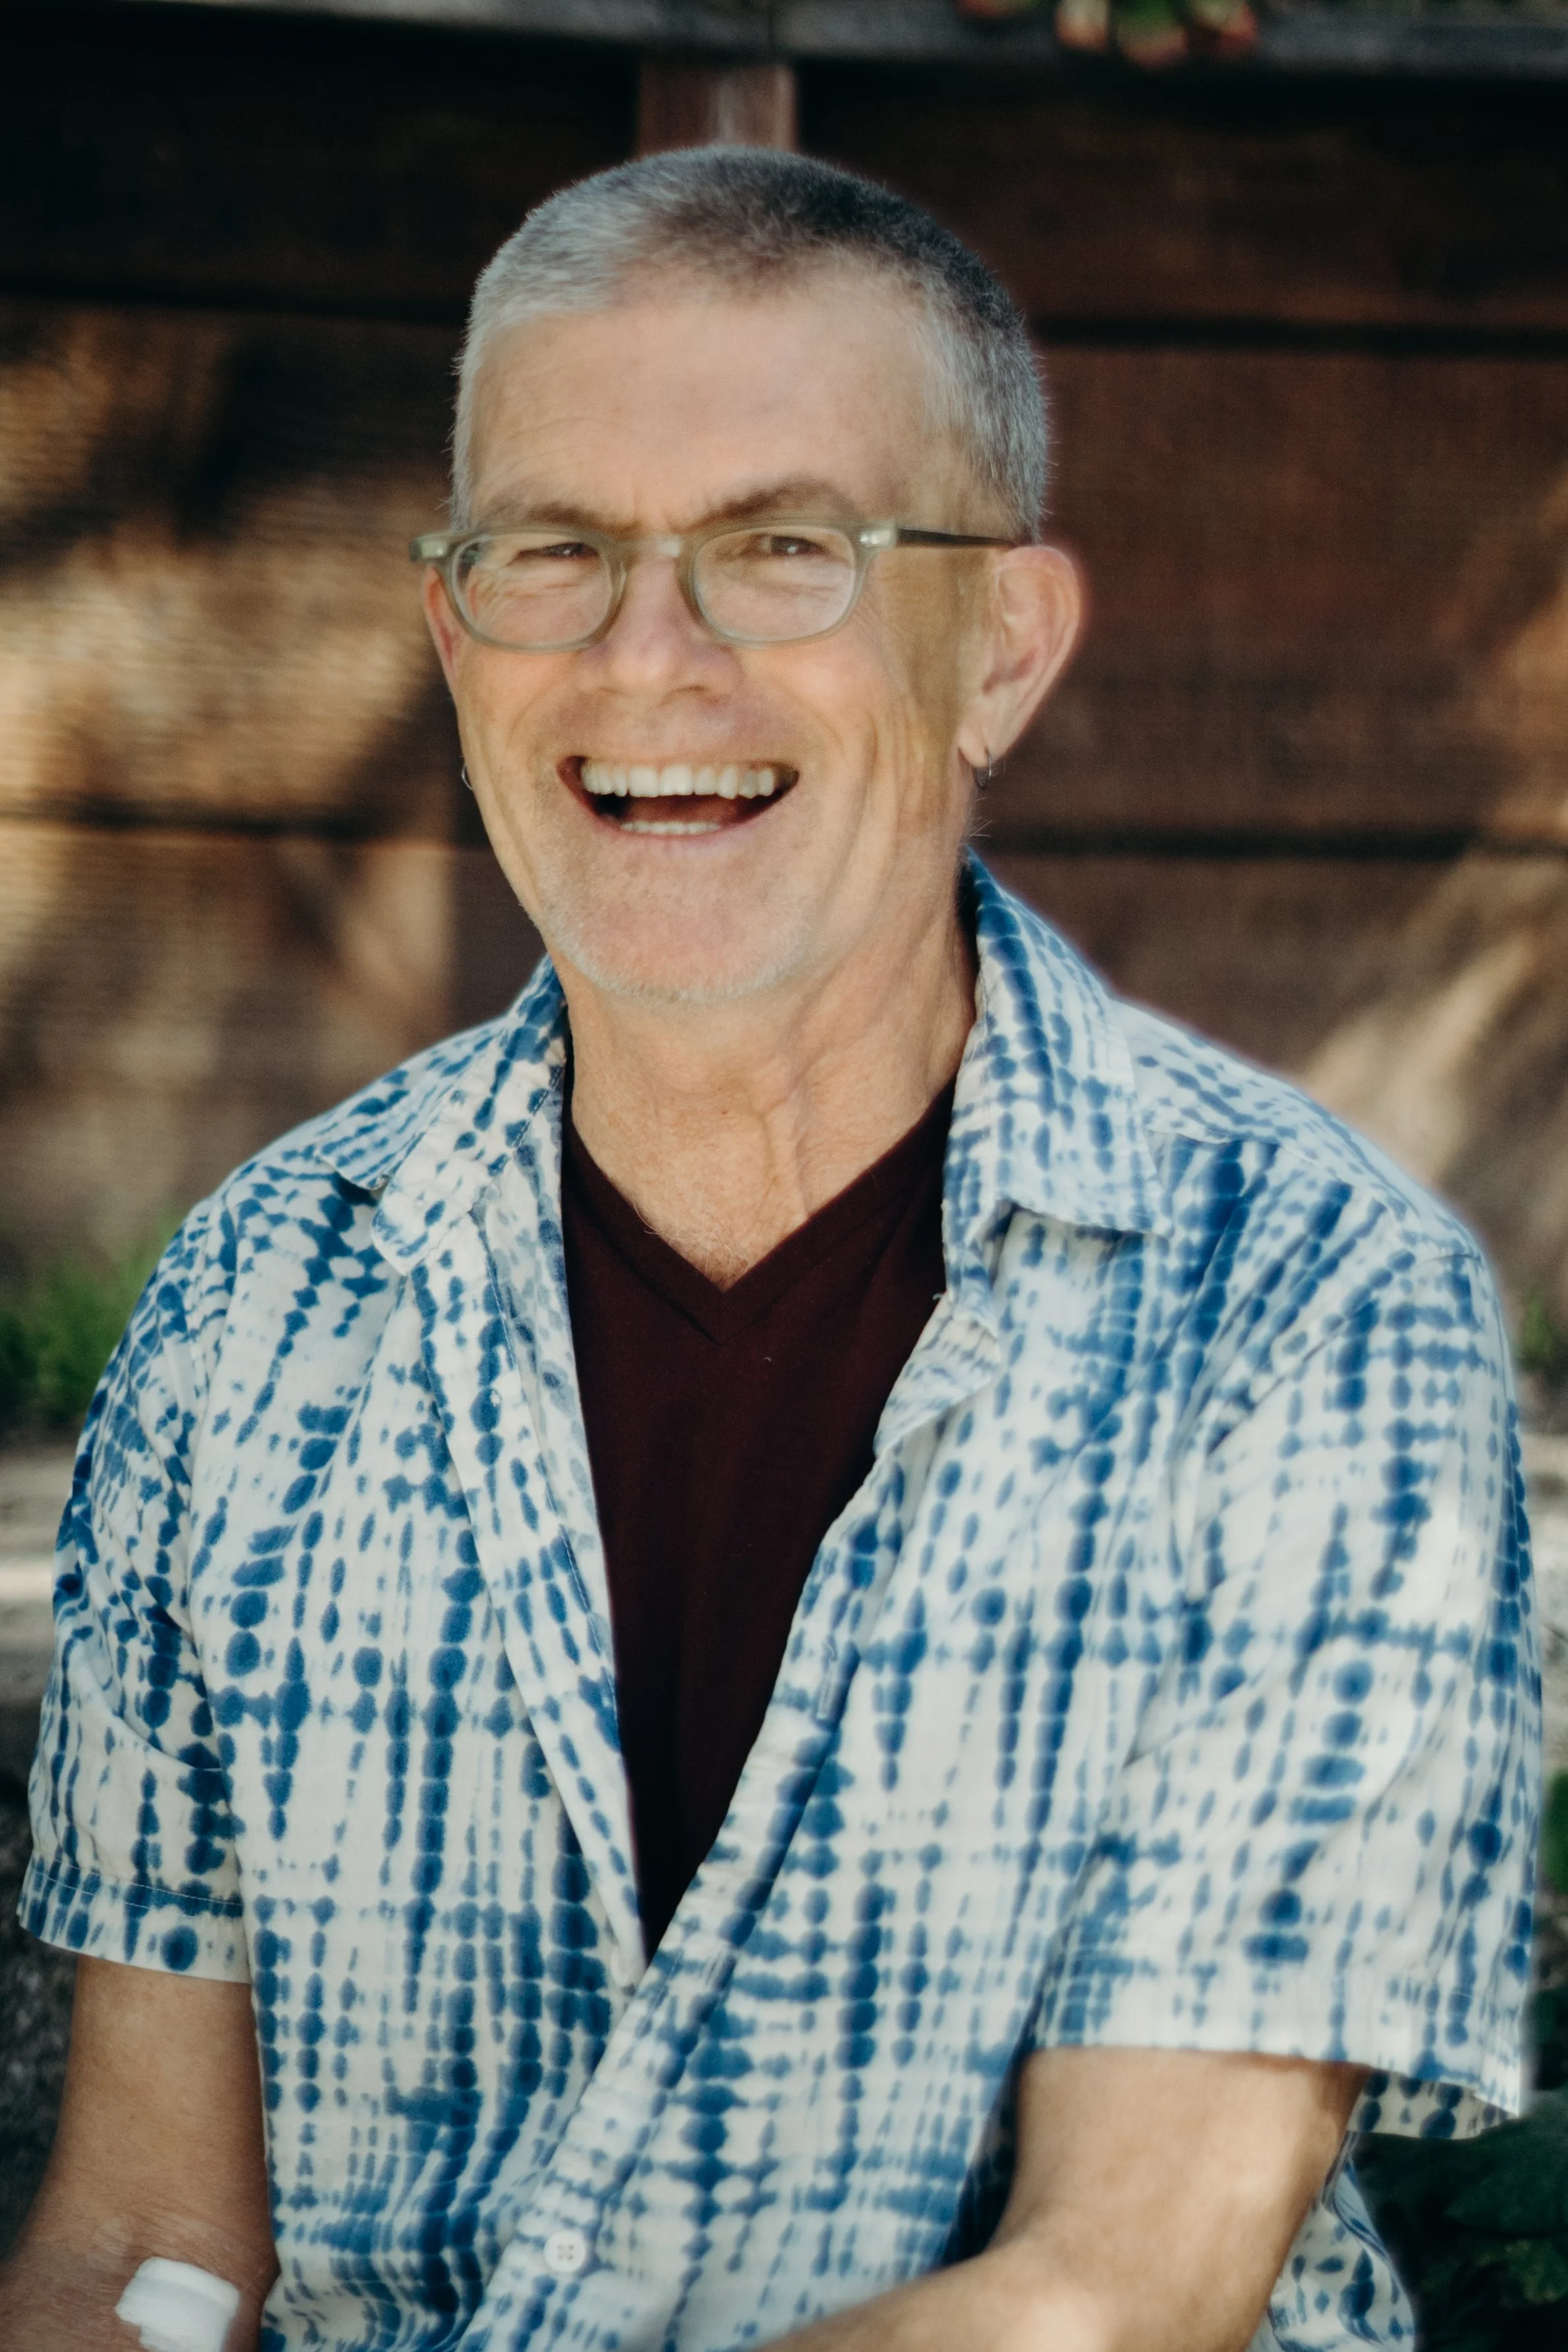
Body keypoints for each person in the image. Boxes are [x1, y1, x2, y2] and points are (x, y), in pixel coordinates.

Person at [0, 150, 1540, 2352]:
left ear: (996, 646)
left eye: (782, 553)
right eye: (555, 553)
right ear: (456, 633)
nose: (651, 660)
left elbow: (1118, 2291)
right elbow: (145, 2234)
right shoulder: (262, 1304)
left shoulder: (1307, 1312)